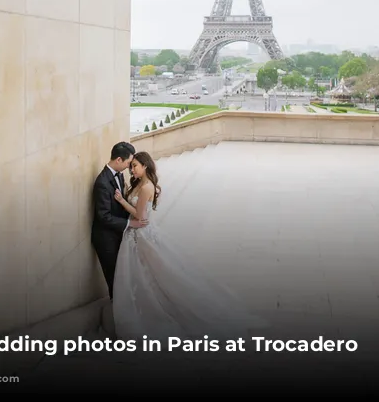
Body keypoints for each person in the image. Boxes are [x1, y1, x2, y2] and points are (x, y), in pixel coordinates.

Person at [112, 151, 268, 341]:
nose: (132, 169)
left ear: (145, 166)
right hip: (134, 235)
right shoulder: (138, 183)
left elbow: (141, 217)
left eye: (135, 165)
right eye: (131, 165)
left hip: (141, 234)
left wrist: (120, 200)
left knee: (155, 272)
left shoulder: (146, 187)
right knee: (145, 273)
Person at [91, 142, 148, 300]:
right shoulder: (102, 183)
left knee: (124, 277)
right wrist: (131, 223)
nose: (130, 167)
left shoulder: (120, 175)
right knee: (115, 281)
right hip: (106, 239)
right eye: (129, 163)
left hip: (119, 234)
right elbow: (104, 217)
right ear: (118, 160)